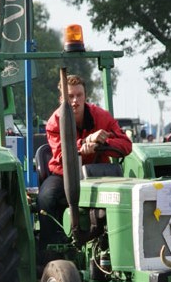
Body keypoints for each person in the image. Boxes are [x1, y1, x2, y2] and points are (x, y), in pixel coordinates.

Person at [36, 74, 132, 255]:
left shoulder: (102, 117)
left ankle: (117, 244)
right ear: (61, 99)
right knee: (46, 198)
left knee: (124, 195)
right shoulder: (54, 122)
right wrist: (84, 144)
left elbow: (126, 145)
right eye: (70, 96)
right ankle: (50, 251)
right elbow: (62, 154)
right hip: (65, 174)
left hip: (97, 174)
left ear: (85, 96)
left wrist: (102, 143)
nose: (75, 101)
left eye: (79, 95)